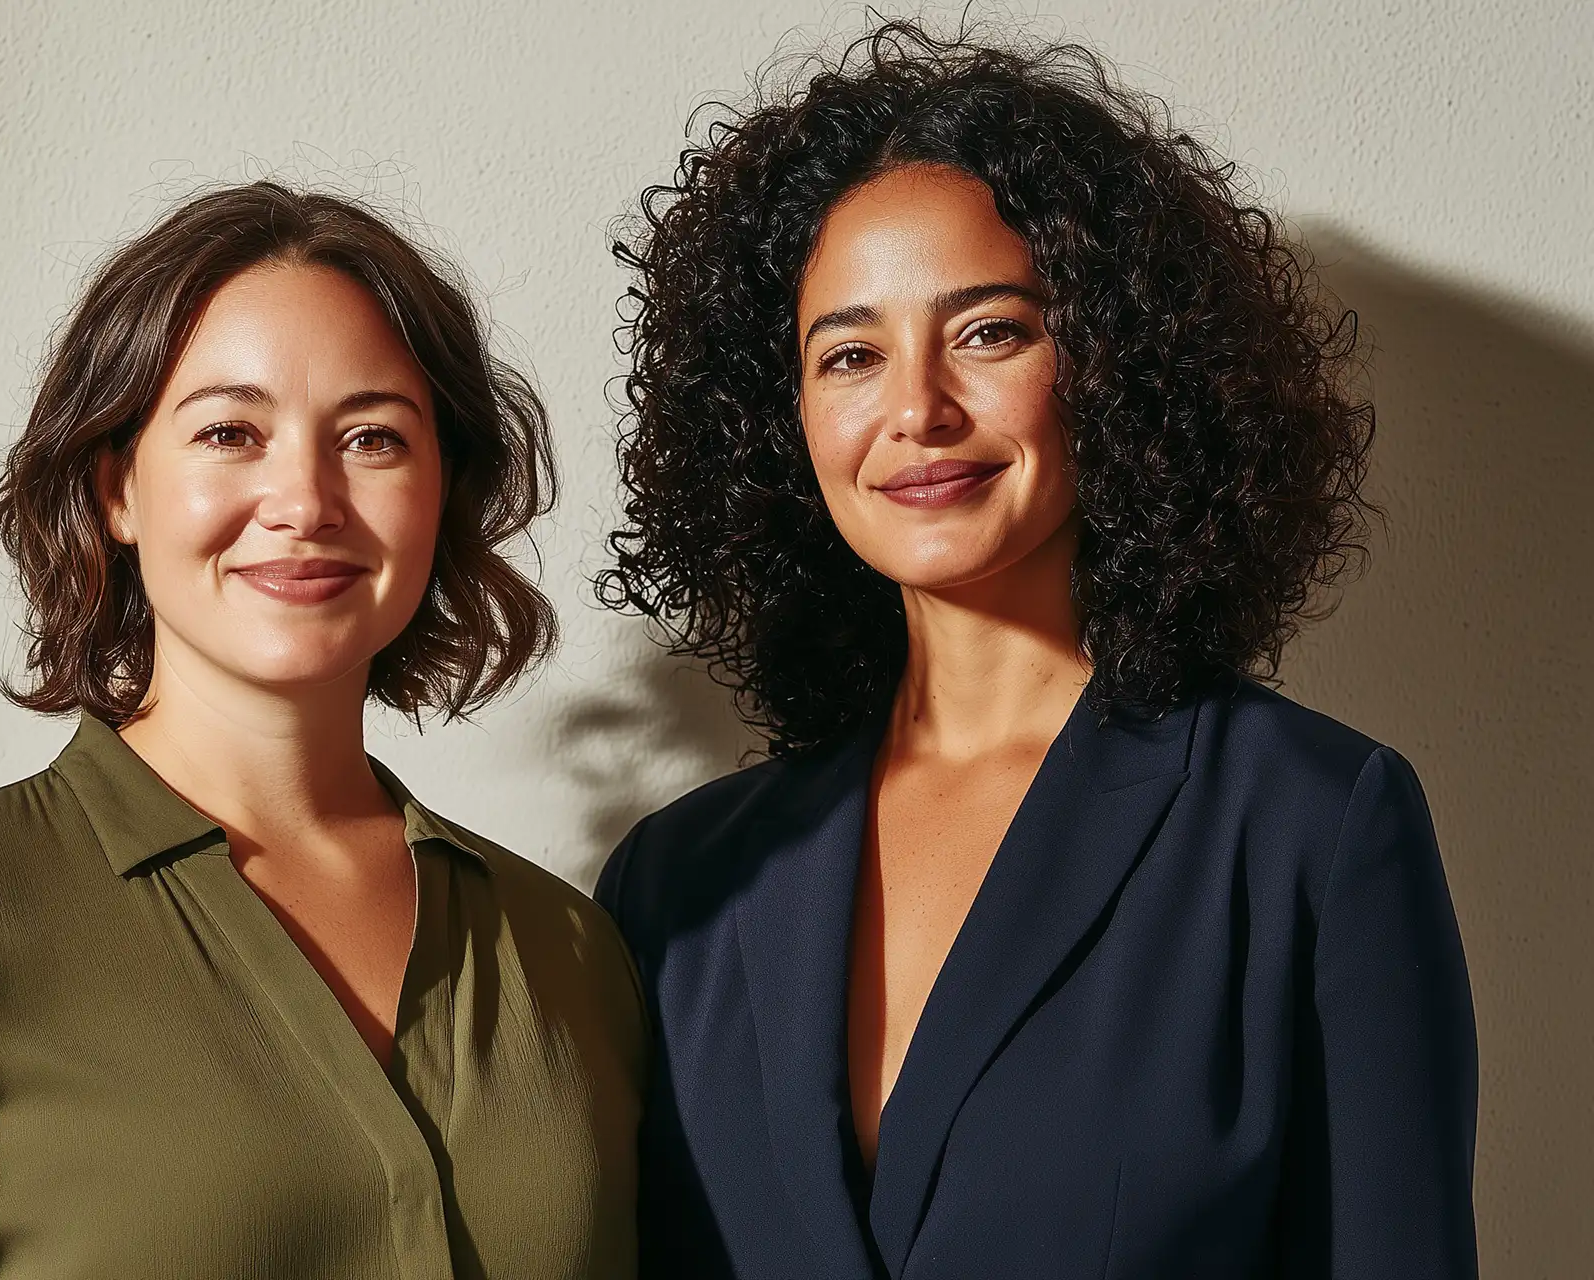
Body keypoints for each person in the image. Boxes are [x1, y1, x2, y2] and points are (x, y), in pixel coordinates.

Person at [595, 20, 1476, 1279]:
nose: (917, 409)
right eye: (851, 354)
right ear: (780, 418)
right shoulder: (677, 882)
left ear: (1113, 362)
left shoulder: (1308, 824)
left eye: (990, 332)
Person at [0, 181, 643, 1279]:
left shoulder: (568, 951)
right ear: (117, 487)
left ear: (442, 489)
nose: (304, 500)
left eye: (372, 437)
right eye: (229, 432)